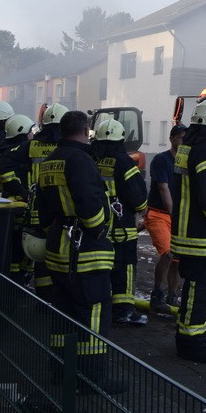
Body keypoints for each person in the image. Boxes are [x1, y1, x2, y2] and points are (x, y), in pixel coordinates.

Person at [37, 110, 121, 393]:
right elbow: (89, 200)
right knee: (94, 311)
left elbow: (43, 209)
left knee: (64, 312)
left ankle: (62, 371)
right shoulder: (81, 159)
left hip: (58, 248)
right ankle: (92, 379)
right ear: (86, 132)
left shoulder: (49, 161)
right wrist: (99, 229)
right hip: (85, 250)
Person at [171, 99, 206, 364]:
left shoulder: (186, 148)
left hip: (185, 232)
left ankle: (186, 337)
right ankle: (193, 343)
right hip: (201, 237)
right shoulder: (205, 153)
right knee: (199, 291)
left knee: (191, 288)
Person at [0, 102, 68, 300]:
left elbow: (4, 164)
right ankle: (55, 299)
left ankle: (38, 298)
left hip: (36, 211)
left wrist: (20, 190)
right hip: (63, 212)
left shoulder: (31, 146)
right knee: (58, 255)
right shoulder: (67, 147)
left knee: (37, 257)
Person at [92, 118, 149, 326]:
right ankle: (123, 310)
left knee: (103, 268)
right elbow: (138, 196)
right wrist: (142, 209)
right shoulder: (124, 161)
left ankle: (105, 306)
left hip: (98, 227)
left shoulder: (92, 159)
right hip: (122, 228)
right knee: (124, 268)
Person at [145, 123, 187, 311]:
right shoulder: (161, 160)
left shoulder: (186, 162)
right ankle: (157, 293)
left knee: (177, 258)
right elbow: (164, 189)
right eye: (180, 137)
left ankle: (172, 294)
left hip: (176, 216)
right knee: (168, 254)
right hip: (158, 214)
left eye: (186, 137)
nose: (183, 140)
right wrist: (175, 215)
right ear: (171, 139)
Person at [0, 113, 34, 283]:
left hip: (16, 206)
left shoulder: (8, 151)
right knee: (18, 247)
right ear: (22, 132)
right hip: (17, 206)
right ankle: (17, 280)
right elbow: (9, 180)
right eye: (30, 131)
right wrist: (23, 192)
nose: (32, 135)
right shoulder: (16, 154)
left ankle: (18, 278)